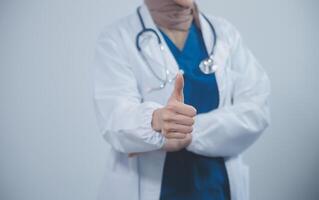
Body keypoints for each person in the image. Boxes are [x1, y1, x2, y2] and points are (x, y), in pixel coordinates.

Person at [93, 0, 271, 199]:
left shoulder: (224, 34)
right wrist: (156, 120)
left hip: (216, 188)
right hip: (153, 189)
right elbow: (114, 116)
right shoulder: (117, 38)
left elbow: (257, 110)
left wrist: (185, 131)